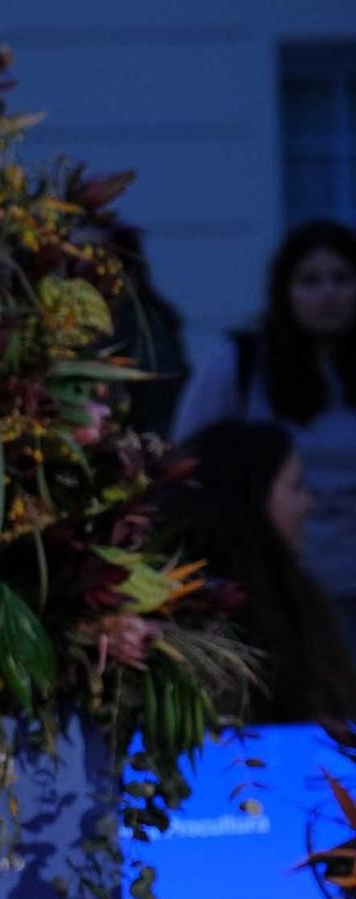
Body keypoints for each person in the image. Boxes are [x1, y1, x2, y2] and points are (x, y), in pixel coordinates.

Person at [172, 221, 356, 645]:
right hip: (269, 585)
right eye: (310, 280)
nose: (328, 294)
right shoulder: (238, 364)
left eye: (342, 279)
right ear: (284, 290)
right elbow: (187, 465)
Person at [168, 419, 356, 724]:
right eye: (296, 486)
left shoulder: (299, 597)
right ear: (249, 497)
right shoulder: (189, 616)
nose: (308, 503)